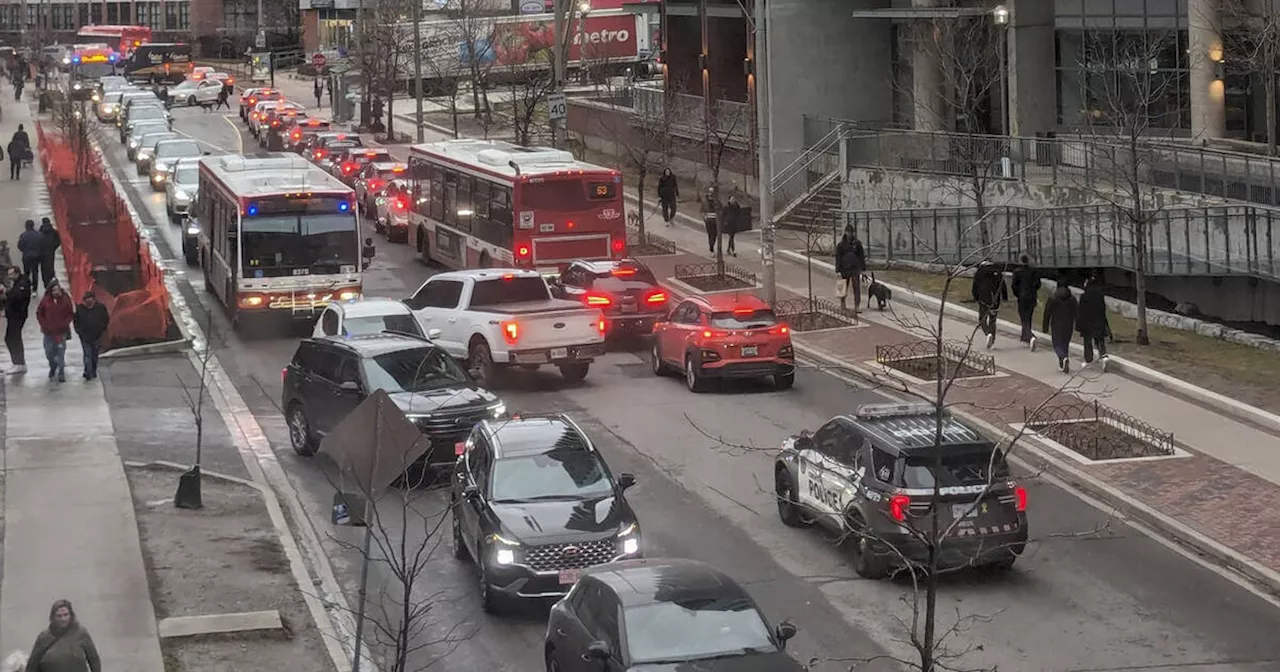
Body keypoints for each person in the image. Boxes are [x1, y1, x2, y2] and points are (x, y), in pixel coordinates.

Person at [25, 599, 102, 672]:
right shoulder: (44, 637)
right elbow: (32, 665)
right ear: (53, 617)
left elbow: (94, 660)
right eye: (59, 616)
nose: (63, 619)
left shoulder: (81, 633)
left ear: (71, 615)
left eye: (66, 615)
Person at [37, 281, 73, 383]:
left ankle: (61, 372)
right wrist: (44, 324)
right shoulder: (45, 301)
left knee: (61, 352)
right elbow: (40, 313)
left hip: (61, 332)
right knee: (49, 352)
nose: (56, 292)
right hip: (48, 332)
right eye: (53, 290)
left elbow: (70, 313)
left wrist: (64, 323)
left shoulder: (65, 300)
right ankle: (53, 366)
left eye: (57, 289)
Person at [1041, 278, 1078, 374]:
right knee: (1065, 343)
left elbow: (1047, 313)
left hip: (1056, 324)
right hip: (1068, 323)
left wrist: (1045, 326)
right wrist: (1077, 324)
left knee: (1057, 344)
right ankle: (1063, 362)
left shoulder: (1053, 298)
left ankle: (1063, 357)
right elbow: (1076, 313)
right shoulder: (1072, 299)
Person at [971, 260, 1008, 349]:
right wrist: (1005, 297)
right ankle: (992, 341)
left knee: (982, 319)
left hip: (983, 299)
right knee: (993, 320)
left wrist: (976, 297)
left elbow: (975, 286)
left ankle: (988, 333)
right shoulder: (998, 271)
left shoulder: (980, 272)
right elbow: (1002, 285)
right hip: (995, 299)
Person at [1077, 274, 1110, 371]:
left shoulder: (1084, 296)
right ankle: (1104, 356)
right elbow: (1103, 309)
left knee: (1087, 342)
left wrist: (1079, 324)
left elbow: (1081, 310)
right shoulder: (1100, 295)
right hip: (1099, 320)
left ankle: (1088, 360)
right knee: (1100, 340)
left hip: (1087, 322)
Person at [74, 291, 109, 380]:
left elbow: (105, 319)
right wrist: (80, 332)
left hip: (97, 336)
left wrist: (101, 329)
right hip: (85, 337)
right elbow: (76, 322)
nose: (88, 301)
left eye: (89, 298)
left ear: (93, 299)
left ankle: (93, 370)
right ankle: (87, 372)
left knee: (94, 354)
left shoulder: (100, 308)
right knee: (87, 354)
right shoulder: (80, 309)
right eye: (86, 299)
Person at [1010, 254, 1041, 351]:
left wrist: (1017, 294)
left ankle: (1030, 337)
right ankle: (1025, 336)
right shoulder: (1034, 271)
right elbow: (1038, 284)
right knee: (1029, 316)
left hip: (1022, 297)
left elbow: (1014, 286)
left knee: (1023, 317)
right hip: (1031, 296)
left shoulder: (1017, 272)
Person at [834, 225, 866, 312]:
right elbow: (838, 257)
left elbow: (861, 256)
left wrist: (863, 269)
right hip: (844, 268)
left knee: (856, 287)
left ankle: (857, 306)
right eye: (848, 232)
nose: (850, 234)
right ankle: (842, 304)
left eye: (851, 232)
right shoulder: (841, 245)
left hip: (855, 268)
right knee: (843, 287)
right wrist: (837, 270)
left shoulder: (857, 244)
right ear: (845, 232)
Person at [5, 265, 30, 374]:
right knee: (9, 338)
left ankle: (19, 363)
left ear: (17, 273)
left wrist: (7, 292)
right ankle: (17, 362)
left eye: (11, 274)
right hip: (12, 315)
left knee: (14, 338)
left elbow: (18, 297)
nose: (9, 277)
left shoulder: (23, 283)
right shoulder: (16, 282)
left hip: (17, 315)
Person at [38, 217, 60, 289]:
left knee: (44, 268)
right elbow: (58, 241)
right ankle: (52, 280)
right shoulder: (54, 231)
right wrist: (54, 247)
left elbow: (37, 241)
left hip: (42, 252)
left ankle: (46, 283)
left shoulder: (40, 231)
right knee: (51, 266)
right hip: (50, 251)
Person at [17, 219, 40, 287]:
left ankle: (27, 286)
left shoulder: (23, 235)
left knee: (26, 272)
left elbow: (20, 245)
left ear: (26, 226)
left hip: (26, 256)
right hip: (36, 256)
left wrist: (24, 250)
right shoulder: (38, 234)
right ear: (33, 226)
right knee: (35, 272)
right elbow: (41, 245)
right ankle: (35, 287)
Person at [701, 187, 720, 255]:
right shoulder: (705, 202)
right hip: (709, 221)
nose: (711, 196)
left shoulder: (717, 201)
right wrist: (705, 218)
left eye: (712, 194)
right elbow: (702, 211)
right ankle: (711, 249)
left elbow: (721, 209)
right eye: (710, 194)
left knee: (714, 235)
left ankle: (712, 247)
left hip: (715, 221)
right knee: (710, 235)